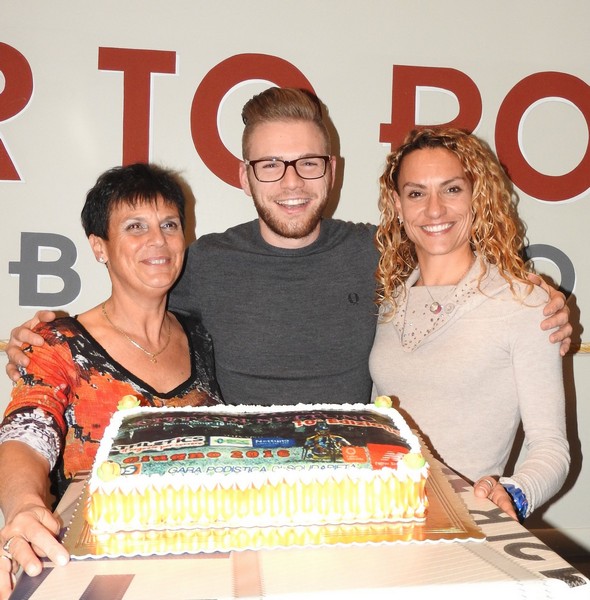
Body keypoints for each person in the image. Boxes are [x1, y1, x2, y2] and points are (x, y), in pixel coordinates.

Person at [4, 88, 573, 408]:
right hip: (238, 491)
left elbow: (460, 256)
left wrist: (543, 298)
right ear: (245, 176)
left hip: (355, 487)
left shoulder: (380, 251)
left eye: (308, 163)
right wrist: (50, 338)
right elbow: (127, 301)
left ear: (332, 169)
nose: (293, 183)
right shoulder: (200, 264)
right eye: (271, 166)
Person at [0, 164, 222, 597]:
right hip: (97, 568)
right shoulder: (59, 343)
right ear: (99, 247)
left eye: (169, 225)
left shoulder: (203, 336)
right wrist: (25, 505)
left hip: (199, 564)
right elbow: (27, 432)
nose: (158, 240)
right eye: (135, 226)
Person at [369, 128, 570, 522]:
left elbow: (552, 448)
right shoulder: (390, 302)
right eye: (415, 193)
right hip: (384, 522)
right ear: (397, 204)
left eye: (451, 189)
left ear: (477, 196)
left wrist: (515, 493)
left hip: (468, 525)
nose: (434, 209)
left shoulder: (525, 303)